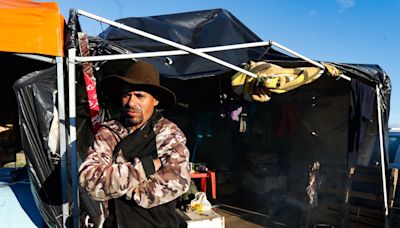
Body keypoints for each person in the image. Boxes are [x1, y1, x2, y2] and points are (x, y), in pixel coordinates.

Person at [79, 60, 191, 228]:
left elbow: (176, 182)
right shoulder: (109, 132)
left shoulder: (168, 134)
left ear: (155, 100)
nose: (131, 103)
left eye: (139, 96)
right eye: (127, 95)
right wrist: (145, 167)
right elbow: (90, 182)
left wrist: (114, 183)